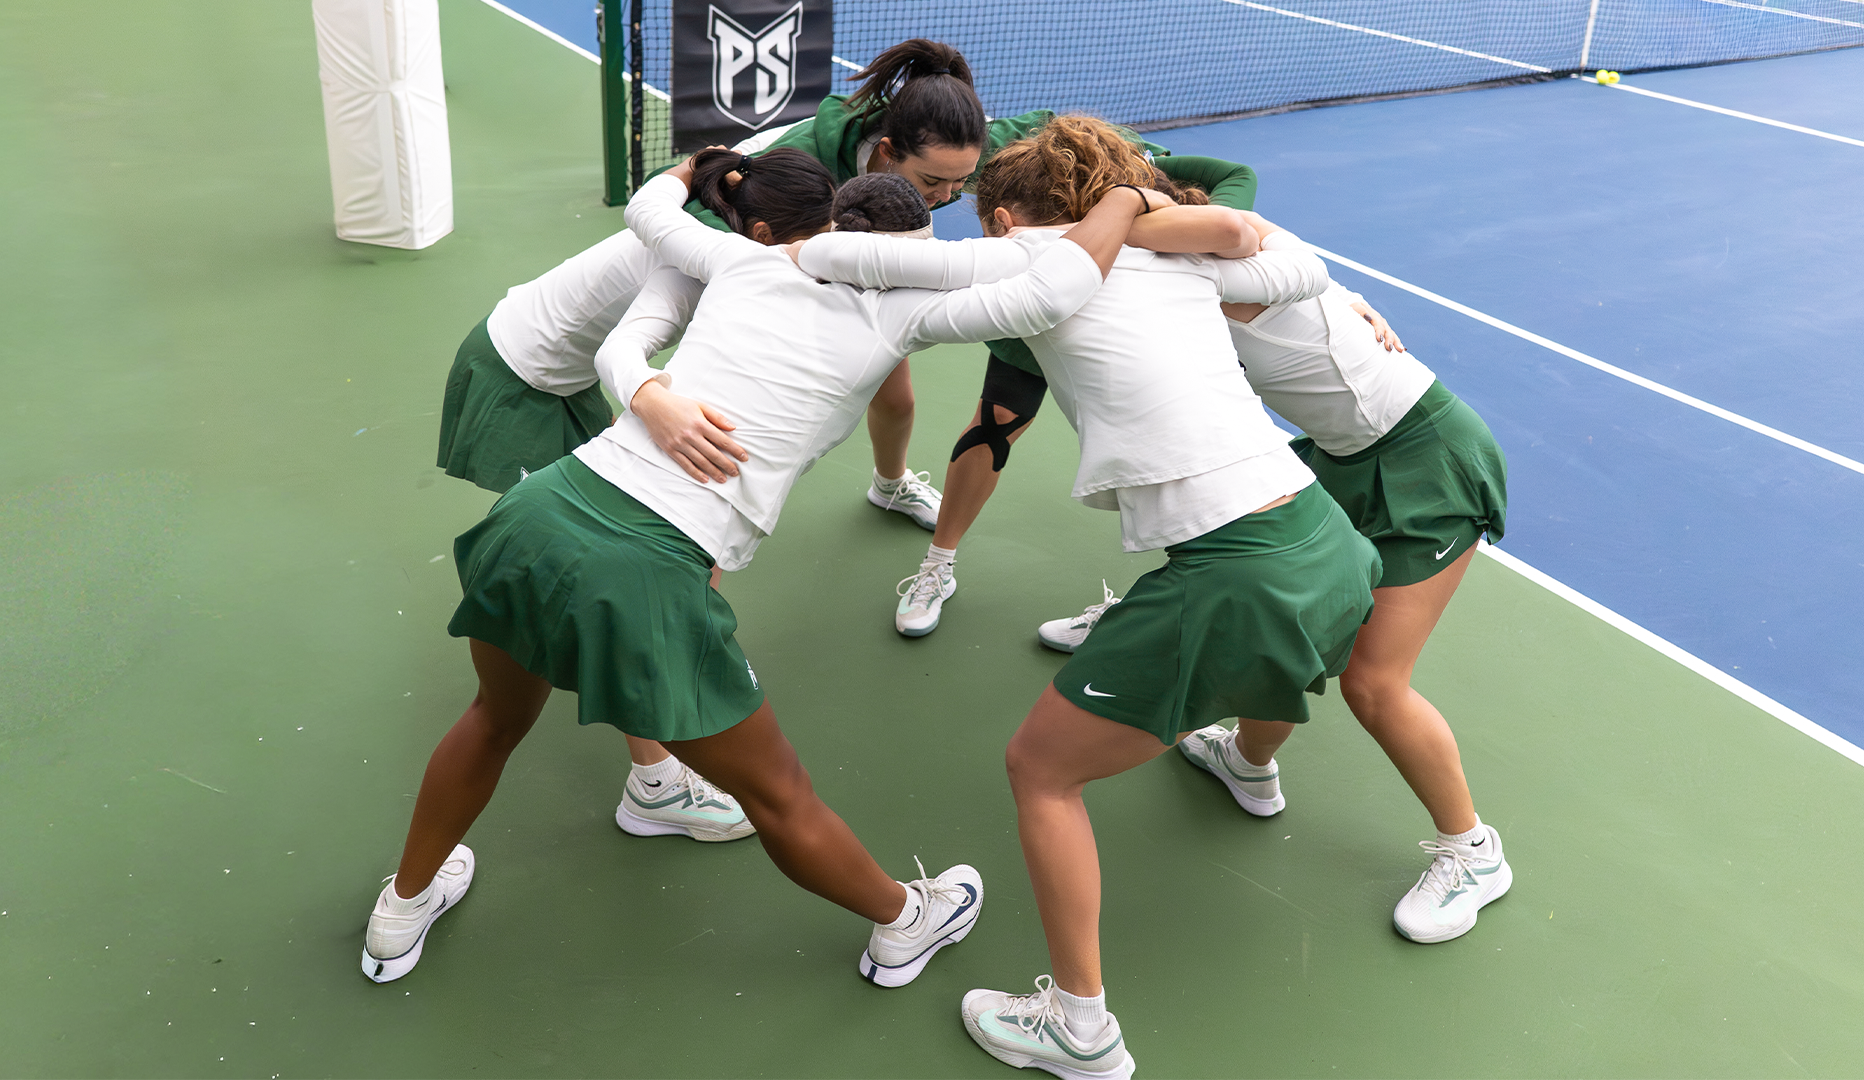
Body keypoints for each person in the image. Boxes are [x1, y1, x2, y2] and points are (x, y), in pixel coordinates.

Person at [359, 148, 1162, 987]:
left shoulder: (740, 257)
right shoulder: (904, 315)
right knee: (778, 795)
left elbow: (650, 216)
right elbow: (1054, 285)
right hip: (647, 569)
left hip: (540, 514)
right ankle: (902, 921)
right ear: (912, 255)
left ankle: (400, 911)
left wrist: (687, 170)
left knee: (494, 718)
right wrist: (1136, 198)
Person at [793, 117, 1373, 1080]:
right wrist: (1155, 213)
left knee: (1040, 770)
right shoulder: (1176, 260)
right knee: (1270, 647)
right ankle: (1250, 769)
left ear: (1008, 210)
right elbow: (1300, 270)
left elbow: (841, 260)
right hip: (1324, 540)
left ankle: (1078, 1027)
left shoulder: (1018, 255)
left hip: (1238, 568)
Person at [672, 40, 1257, 634]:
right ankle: (705, 560)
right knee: (772, 431)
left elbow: (1214, 178)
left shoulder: (1006, 151)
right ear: (890, 151)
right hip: (818, 304)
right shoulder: (807, 165)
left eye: (963, 181)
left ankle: (890, 486)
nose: (950, 196)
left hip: (910, 293)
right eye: (932, 181)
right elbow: (699, 222)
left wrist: (1160, 237)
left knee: (902, 401)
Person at [1037, 224, 1514, 947]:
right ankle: (1249, 765)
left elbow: (1244, 230)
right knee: (1297, 614)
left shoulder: (1213, 264)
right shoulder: (1184, 273)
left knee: (1374, 683)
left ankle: (1475, 852)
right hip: (1339, 453)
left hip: (1428, 459)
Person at [433, 191, 750, 842]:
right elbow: (626, 355)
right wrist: (649, 406)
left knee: (606, 557)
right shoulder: (694, 263)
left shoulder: (715, 235)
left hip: (562, 374)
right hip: (519, 379)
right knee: (599, 575)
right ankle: (655, 783)